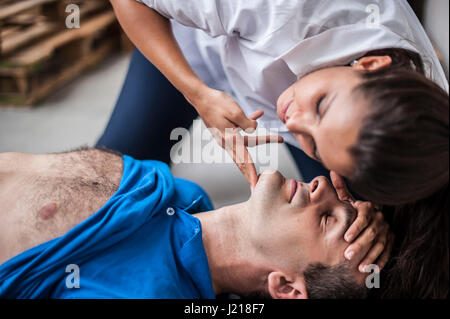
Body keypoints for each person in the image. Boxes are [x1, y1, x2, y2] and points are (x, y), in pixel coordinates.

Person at [0, 148, 391, 299]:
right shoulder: (187, 199)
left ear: (286, 286)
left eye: (327, 219)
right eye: (340, 200)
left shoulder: (146, 292)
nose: (322, 184)